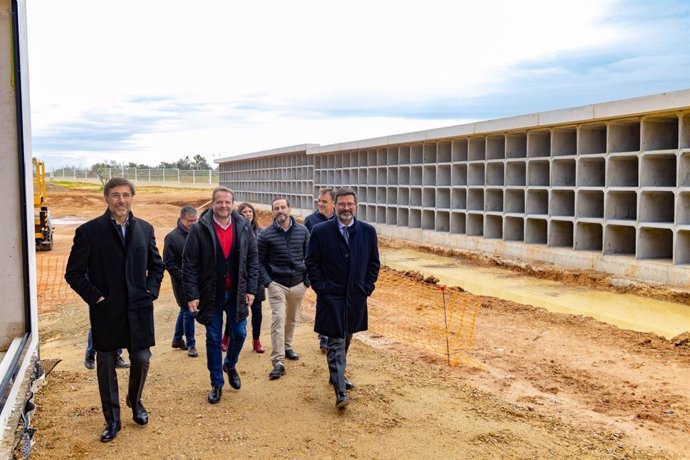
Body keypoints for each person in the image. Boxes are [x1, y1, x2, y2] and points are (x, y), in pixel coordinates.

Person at [65, 177, 165, 442]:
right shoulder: (89, 231)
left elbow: (156, 266)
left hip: (138, 309)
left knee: (142, 358)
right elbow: (73, 273)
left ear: (132, 197)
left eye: (126, 195)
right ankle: (112, 419)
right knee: (106, 364)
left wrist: (150, 292)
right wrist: (96, 298)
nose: (121, 200)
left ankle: (135, 401)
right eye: (115, 195)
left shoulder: (145, 229)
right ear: (106, 198)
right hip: (106, 311)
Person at [182, 187, 258, 404]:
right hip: (210, 294)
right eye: (219, 202)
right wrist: (192, 294)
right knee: (214, 338)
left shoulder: (243, 226)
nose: (223, 206)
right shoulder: (199, 228)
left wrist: (251, 289)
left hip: (237, 293)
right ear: (212, 204)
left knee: (240, 333)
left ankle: (230, 364)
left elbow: (252, 259)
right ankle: (216, 383)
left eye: (227, 202)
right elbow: (189, 263)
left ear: (232, 203)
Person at [305, 187, 380, 409]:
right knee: (335, 341)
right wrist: (321, 288)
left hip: (355, 297)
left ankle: (336, 374)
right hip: (331, 296)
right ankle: (340, 391)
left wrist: (366, 287)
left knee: (346, 337)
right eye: (342, 204)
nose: (346, 208)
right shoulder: (320, 231)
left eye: (350, 204)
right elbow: (311, 262)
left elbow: (374, 263)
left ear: (355, 206)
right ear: (335, 206)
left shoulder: (367, 231)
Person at [257, 197, 310, 380]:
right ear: (272, 211)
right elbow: (259, 262)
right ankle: (278, 361)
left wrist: (306, 280)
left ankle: (287, 347)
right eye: (276, 208)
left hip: (298, 283)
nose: (280, 211)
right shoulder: (265, 235)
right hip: (277, 284)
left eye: (283, 207)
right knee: (278, 319)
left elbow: (311, 258)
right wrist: (268, 282)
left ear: (290, 209)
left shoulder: (303, 231)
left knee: (291, 317)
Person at [222, 202, 265, 354]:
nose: (248, 214)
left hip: (256, 278)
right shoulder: (236, 231)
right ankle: (226, 338)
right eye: (244, 211)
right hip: (239, 278)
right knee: (235, 311)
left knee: (257, 311)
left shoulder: (261, 232)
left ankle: (256, 340)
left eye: (250, 211)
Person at [303, 188, 336, 353]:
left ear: (334, 204)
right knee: (323, 302)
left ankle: (334, 334)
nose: (320, 204)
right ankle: (324, 336)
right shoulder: (310, 220)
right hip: (320, 271)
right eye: (319, 201)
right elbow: (308, 249)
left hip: (337, 269)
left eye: (325, 202)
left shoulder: (342, 219)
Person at [164, 205, 199, 358]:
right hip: (181, 282)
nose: (192, 223)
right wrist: (184, 277)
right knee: (190, 311)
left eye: (195, 220)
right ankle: (191, 344)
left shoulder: (197, 233)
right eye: (189, 221)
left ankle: (177, 339)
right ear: (181, 219)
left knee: (184, 310)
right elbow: (169, 263)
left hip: (196, 279)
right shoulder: (172, 237)